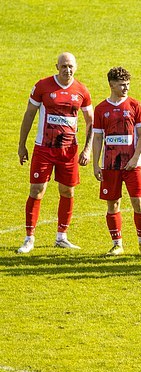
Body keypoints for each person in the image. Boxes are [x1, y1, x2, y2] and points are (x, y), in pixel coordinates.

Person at [16, 52, 93, 254]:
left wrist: (87, 149)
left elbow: (91, 122)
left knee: (67, 191)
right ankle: (29, 238)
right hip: (43, 148)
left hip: (69, 151)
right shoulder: (42, 86)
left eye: (70, 66)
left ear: (76, 67)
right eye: (64, 66)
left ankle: (62, 237)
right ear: (57, 67)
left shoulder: (82, 90)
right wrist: (22, 145)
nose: (67, 70)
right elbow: (29, 114)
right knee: (37, 190)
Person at [91, 67, 141, 257]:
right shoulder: (101, 109)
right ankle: (117, 244)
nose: (126, 88)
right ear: (111, 85)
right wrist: (96, 164)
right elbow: (98, 138)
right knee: (113, 204)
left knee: (138, 202)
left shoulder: (135, 105)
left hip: (133, 165)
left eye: (128, 84)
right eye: (122, 84)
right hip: (110, 165)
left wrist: (135, 158)